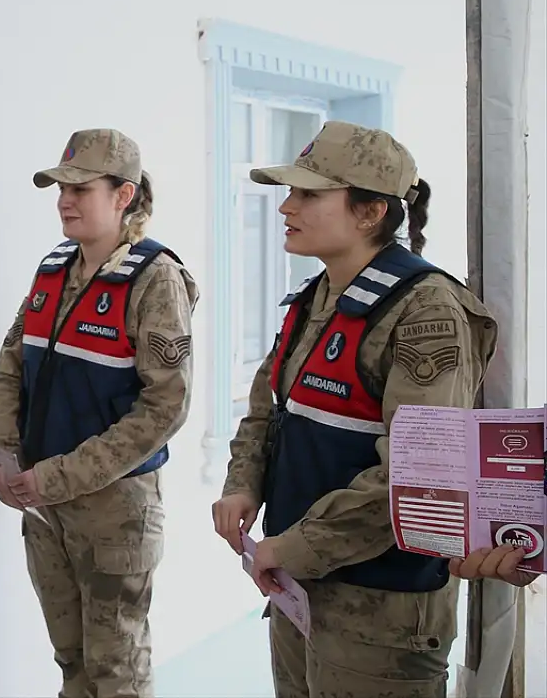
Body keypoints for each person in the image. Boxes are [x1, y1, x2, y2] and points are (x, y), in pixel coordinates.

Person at [211, 121, 499, 698]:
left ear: (370, 213)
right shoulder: (316, 298)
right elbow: (270, 411)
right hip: (299, 588)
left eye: (309, 194)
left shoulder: (426, 311)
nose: (286, 207)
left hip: (381, 611)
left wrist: (291, 548)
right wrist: (243, 484)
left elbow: (418, 475)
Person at [0, 128, 198, 698]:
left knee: (117, 671)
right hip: (41, 503)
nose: (65, 199)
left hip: (113, 511)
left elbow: (164, 407)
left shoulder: (157, 280)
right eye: (60, 186)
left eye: (82, 187)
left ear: (124, 196)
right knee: (72, 663)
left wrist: (53, 477)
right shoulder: (53, 269)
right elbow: (13, 366)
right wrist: (3, 458)